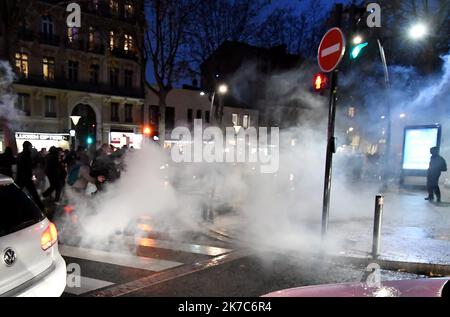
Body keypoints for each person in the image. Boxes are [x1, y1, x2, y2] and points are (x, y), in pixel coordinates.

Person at [16, 141, 45, 211]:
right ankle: (41, 208)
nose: (31, 148)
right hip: (27, 178)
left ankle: (13, 204)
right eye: (30, 146)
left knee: (16, 192)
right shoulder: (27, 155)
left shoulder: (20, 155)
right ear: (28, 147)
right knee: (34, 194)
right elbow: (29, 167)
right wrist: (32, 176)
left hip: (20, 177)